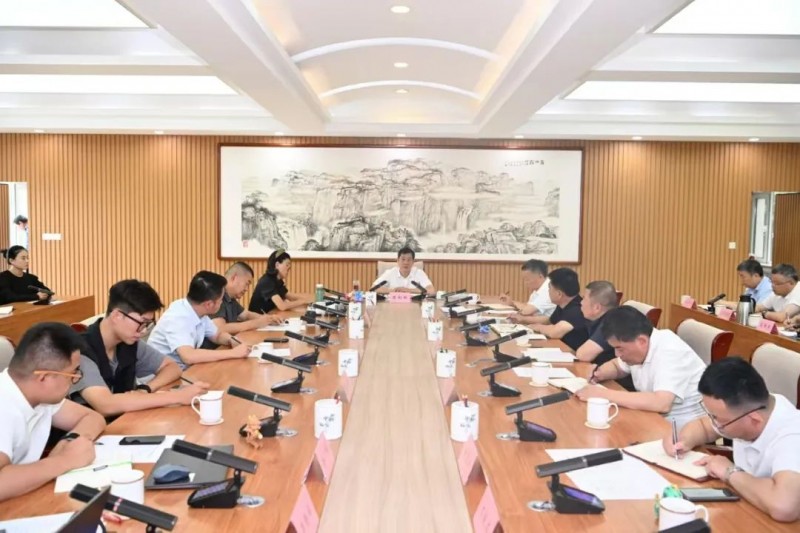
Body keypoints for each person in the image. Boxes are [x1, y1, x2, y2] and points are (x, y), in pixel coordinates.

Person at [662, 357, 800, 523]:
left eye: (717, 418)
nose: (714, 423)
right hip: (749, 510)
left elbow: (784, 507)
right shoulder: (753, 406)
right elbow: (703, 427)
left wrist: (729, 471)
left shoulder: (792, 436)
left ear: (754, 420)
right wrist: (683, 440)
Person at [69, 280, 209, 418]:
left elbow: (172, 367)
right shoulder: (79, 351)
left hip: (127, 420)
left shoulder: (129, 342)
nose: (143, 331)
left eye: (148, 324)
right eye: (142, 323)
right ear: (117, 316)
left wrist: (145, 389)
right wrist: (177, 397)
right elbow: (106, 405)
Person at [0, 323, 106, 501]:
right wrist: (66, 460)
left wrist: (69, 441)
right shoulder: (4, 405)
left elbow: (92, 417)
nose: (76, 380)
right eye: (73, 374)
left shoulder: (37, 395)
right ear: (44, 377)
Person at [575, 306, 706, 430]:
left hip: (682, 428)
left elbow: (661, 403)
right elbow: (617, 366)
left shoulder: (670, 350)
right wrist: (600, 373)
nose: (617, 354)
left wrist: (603, 394)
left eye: (619, 348)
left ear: (641, 341)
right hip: (652, 417)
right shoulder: (639, 346)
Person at [148, 271, 251, 369]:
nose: (221, 303)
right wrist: (233, 353)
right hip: (159, 374)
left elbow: (217, 335)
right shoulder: (178, 317)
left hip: (181, 369)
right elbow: (188, 356)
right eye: (220, 300)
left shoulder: (199, 310)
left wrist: (232, 340)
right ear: (209, 304)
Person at [528, 268, 588, 351]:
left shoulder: (577, 310)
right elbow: (550, 321)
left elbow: (555, 332)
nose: (548, 291)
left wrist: (538, 327)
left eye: (549, 288)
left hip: (573, 355)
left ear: (559, 294)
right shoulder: (563, 304)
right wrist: (525, 322)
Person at [248, 249, 310, 313]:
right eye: (287, 265)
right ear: (277, 265)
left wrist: (308, 300)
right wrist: (302, 301)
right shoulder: (267, 281)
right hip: (257, 317)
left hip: (270, 315)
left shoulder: (277, 280)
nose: (289, 268)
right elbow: (282, 306)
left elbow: (290, 296)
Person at [575, 280, 618, 365]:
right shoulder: (599, 318)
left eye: (584, 298)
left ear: (597, 308)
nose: (581, 302)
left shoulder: (612, 322)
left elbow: (583, 355)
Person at [500, 259, 555, 324]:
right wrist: (512, 303)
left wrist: (513, 302)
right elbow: (527, 306)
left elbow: (526, 311)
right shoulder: (539, 288)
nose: (525, 283)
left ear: (540, 276)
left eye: (527, 279)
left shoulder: (548, 289)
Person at [370, 247, 435, 294]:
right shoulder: (390, 273)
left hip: (414, 306)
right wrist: (394, 291)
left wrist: (408, 290)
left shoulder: (419, 273)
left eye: (409, 260)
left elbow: (431, 290)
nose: (406, 263)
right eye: (403, 259)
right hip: (392, 305)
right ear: (398, 261)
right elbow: (373, 288)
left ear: (413, 262)